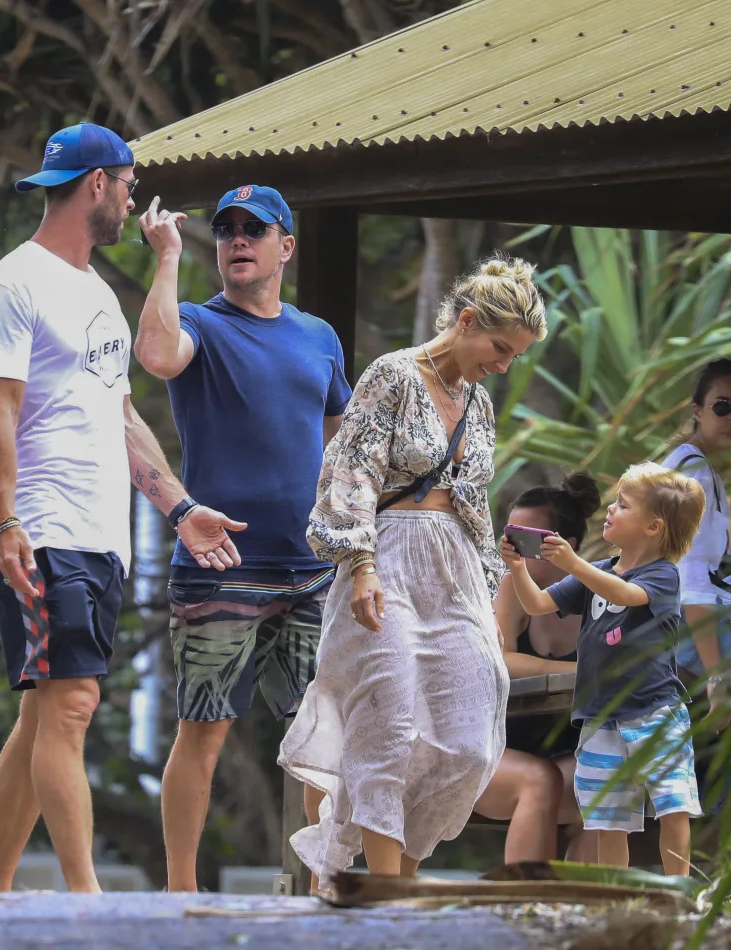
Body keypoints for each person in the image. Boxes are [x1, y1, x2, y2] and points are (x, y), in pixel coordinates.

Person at [0, 123, 246, 893]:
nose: (130, 197)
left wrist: (181, 509)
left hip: (98, 531)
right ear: (95, 184)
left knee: (45, 711)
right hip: (39, 526)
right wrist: (8, 521)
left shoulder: (98, 298)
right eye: (126, 183)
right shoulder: (9, 286)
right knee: (74, 702)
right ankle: (87, 902)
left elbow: (122, 422)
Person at [278, 256, 548, 893]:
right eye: (499, 347)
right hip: (387, 558)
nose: (504, 365)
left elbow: (475, 501)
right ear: (467, 320)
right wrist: (362, 564)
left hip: (452, 570)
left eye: (516, 356)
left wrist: (486, 586)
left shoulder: (476, 402)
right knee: (390, 725)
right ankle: (386, 892)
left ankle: (388, 868)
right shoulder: (393, 375)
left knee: (468, 735)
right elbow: (351, 471)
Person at [135, 185, 352, 891]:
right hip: (220, 565)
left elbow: (337, 438)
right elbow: (158, 356)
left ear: (285, 246)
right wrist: (167, 257)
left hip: (310, 569)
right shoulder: (200, 321)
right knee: (205, 731)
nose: (237, 240)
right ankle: (179, 892)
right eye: (227, 230)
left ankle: (322, 880)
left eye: (253, 231)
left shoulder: (319, 336)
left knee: (322, 737)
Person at [503, 462, 706, 875]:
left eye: (623, 505)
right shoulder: (598, 570)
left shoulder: (662, 575)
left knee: (673, 805)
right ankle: (615, 896)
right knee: (607, 818)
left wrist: (576, 564)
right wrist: (520, 570)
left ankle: (680, 888)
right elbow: (539, 604)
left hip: (655, 713)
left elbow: (629, 596)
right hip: (601, 718)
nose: (610, 510)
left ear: (653, 527)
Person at [474, 473, 601, 863]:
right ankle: (530, 901)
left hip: (569, 752)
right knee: (539, 782)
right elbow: (502, 660)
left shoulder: (599, 591)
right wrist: (571, 671)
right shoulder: (512, 585)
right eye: (509, 538)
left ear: (566, 546)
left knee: (606, 781)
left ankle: (583, 908)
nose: (514, 550)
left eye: (526, 540)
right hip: (507, 749)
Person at [661, 358, 731, 722]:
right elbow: (692, 583)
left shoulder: (702, 469)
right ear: (697, 411)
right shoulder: (693, 477)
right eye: (723, 407)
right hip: (679, 638)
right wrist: (717, 678)